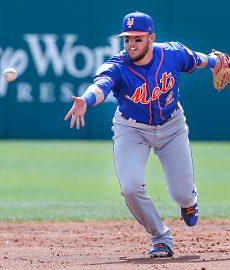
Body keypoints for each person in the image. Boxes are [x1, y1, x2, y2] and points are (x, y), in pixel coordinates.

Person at [64, 11, 223, 258]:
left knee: (181, 193)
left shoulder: (171, 53)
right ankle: (160, 237)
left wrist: (217, 61)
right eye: (127, 39)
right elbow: (101, 85)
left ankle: (189, 202)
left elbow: (197, 59)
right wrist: (85, 99)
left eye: (137, 38)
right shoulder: (117, 65)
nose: (131, 44)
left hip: (172, 126)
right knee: (130, 187)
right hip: (132, 128)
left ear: (151, 38)